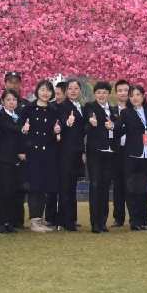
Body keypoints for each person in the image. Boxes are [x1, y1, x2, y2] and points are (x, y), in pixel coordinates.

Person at [19, 80, 61, 233]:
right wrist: (23, 134)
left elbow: (56, 131)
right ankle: (34, 221)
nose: (45, 93)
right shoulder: (28, 108)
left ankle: (40, 219)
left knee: (44, 187)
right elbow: (20, 130)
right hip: (33, 152)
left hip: (48, 153)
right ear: (37, 91)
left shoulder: (54, 109)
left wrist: (57, 131)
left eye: (48, 90)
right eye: (42, 89)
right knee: (34, 187)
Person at [118, 85, 147, 231]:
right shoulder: (125, 113)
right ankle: (135, 221)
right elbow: (118, 129)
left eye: (137, 94)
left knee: (142, 188)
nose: (134, 98)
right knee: (132, 189)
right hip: (132, 155)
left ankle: (144, 219)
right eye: (131, 95)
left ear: (143, 96)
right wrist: (112, 126)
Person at [84, 81, 118, 233]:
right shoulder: (90, 107)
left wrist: (114, 126)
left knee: (105, 187)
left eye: (104, 92)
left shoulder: (113, 110)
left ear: (108, 94)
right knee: (95, 186)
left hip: (110, 153)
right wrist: (91, 121)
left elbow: (118, 128)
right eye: (98, 92)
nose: (101, 95)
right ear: (94, 94)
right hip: (96, 153)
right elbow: (88, 117)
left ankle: (103, 222)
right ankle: (95, 223)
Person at [0, 88, 26, 233]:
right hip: (2, 158)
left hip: (14, 159)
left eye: (14, 100)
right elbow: (10, 128)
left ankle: (10, 222)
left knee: (12, 190)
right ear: (3, 101)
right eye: (8, 100)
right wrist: (22, 128)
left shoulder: (17, 116)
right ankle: (1, 222)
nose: (12, 102)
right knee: (3, 190)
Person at [56, 78, 85, 231]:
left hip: (77, 152)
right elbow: (60, 125)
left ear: (80, 90)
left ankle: (71, 219)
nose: (73, 91)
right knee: (66, 187)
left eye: (76, 88)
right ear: (66, 91)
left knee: (72, 186)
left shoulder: (81, 107)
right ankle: (65, 221)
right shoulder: (62, 106)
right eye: (70, 88)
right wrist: (67, 123)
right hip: (65, 152)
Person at [111, 79, 130, 227]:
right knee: (118, 186)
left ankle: (138, 217)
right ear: (116, 93)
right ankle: (118, 218)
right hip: (116, 152)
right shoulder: (111, 111)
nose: (123, 93)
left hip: (132, 152)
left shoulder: (137, 109)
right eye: (120, 90)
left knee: (134, 185)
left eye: (126, 90)